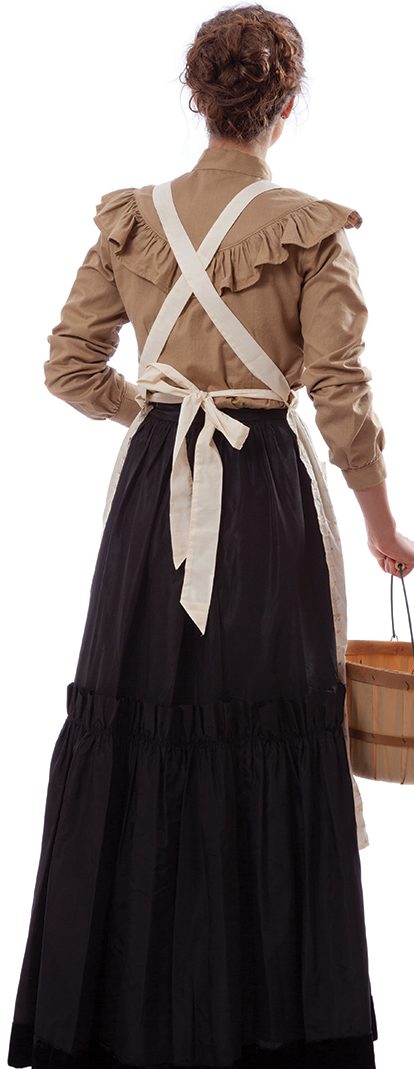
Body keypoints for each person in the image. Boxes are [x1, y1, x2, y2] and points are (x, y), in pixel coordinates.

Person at [7, 5, 414, 1069]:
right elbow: (340, 395)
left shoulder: (130, 219)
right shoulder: (312, 228)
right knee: (271, 730)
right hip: (266, 492)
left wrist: (149, 410)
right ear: (284, 106)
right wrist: (383, 529)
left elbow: (66, 365)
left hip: (155, 497)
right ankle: (268, 1029)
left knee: (140, 726)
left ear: (197, 96)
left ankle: (119, 1025)